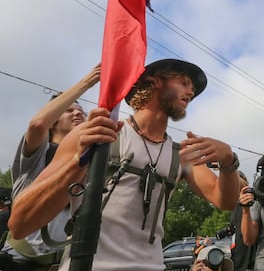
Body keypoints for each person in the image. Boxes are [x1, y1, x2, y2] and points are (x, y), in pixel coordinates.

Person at [8, 59, 240, 271]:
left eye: (193, 89)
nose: (191, 92)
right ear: (155, 80)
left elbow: (225, 201)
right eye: (184, 82)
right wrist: (79, 161)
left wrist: (229, 162)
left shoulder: (181, 155)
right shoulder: (96, 135)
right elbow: (20, 224)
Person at [0, 65, 100, 271]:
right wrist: (89, 81)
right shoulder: (38, 153)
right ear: (53, 122)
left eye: (81, 111)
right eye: (69, 110)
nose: (77, 114)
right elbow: (37, 124)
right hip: (21, 262)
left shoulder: (91, 161)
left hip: (66, 264)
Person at [227, 172, 255, 271]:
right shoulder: (234, 206)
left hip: (250, 260)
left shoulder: (251, 202)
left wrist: (229, 169)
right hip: (237, 259)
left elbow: (244, 185)